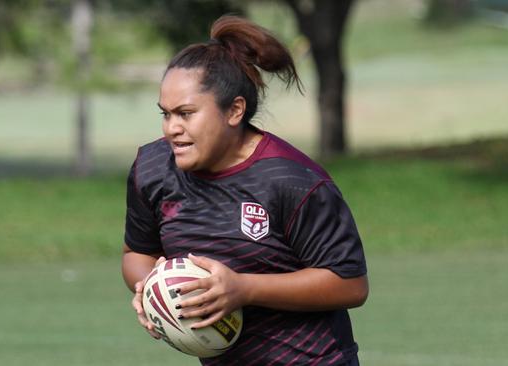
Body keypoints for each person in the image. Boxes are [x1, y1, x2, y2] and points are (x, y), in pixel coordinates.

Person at [122, 15, 368, 366]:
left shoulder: (292, 180)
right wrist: (151, 288)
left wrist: (244, 289)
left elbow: (351, 284)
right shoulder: (152, 169)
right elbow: (137, 253)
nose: (172, 128)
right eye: (166, 114)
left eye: (186, 113)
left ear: (234, 110)